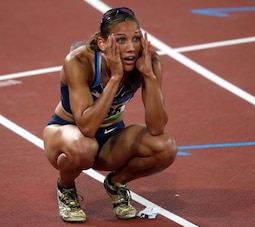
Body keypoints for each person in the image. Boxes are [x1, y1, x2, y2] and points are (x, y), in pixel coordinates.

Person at [43, 7, 177, 223]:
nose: (131, 48)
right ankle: (66, 189)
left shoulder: (148, 61)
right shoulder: (79, 62)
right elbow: (86, 128)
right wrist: (115, 78)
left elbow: (156, 128)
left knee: (165, 147)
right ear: (103, 42)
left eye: (135, 38)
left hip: (111, 135)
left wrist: (149, 77)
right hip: (67, 133)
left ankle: (116, 183)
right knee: (84, 146)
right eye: (121, 40)